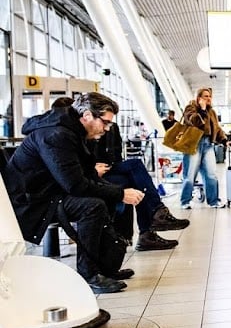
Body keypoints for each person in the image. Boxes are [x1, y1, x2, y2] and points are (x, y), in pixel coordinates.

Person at [3, 93, 144, 293]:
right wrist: (120, 194)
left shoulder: (73, 132)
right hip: (32, 201)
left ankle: (104, 268)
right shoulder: (57, 135)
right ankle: (88, 274)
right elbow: (75, 185)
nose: (106, 128)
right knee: (93, 206)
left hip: (50, 191)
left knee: (107, 196)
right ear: (87, 115)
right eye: (105, 122)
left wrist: (117, 193)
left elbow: (87, 176)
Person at [93, 115, 187, 251]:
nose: (107, 125)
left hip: (108, 169)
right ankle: (154, 218)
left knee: (133, 178)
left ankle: (151, 225)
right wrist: (93, 169)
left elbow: (116, 154)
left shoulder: (111, 128)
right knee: (134, 168)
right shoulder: (82, 132)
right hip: (94, 174)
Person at [179, 87, 229, 209]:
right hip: (193, 144)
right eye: (205, 96)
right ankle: (185, 201)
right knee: (190, 174)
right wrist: (201, 110)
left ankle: (213, 201)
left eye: (209, 96)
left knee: (211, 174)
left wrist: (224, 140)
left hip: (208, 145)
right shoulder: (190, 108)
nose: (208, 98)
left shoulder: (211, 112)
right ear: (199, 98)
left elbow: (216, 128)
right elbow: (195, 122)